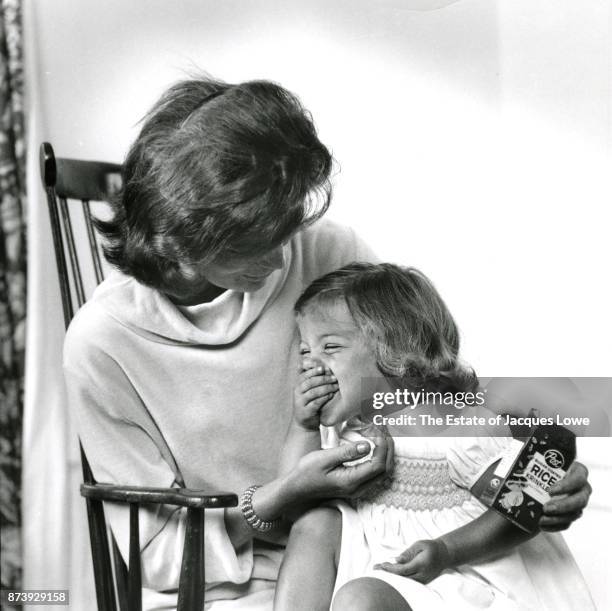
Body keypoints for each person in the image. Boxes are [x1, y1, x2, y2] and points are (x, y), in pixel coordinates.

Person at [63, 77, 592, 611]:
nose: (282, 258)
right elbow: (158, 554)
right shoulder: (101, 345)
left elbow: (420, 376)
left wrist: (537, 458)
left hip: (377, 549)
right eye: (257, 244)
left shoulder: (324, 249)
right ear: (179, 239)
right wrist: (289, 493)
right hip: (233, 580)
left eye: (286, 228)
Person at [274, 263, 595, 611]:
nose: (310, 364)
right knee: (314, 522)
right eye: (305, 350)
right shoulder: (348, 431)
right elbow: (292, 502)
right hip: (377, 566)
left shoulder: (452, 429)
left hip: (453, 573)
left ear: (394, 350)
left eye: (330, 347)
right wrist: (303, 426)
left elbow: (521, 512)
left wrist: (446, 551)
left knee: (360, 599)